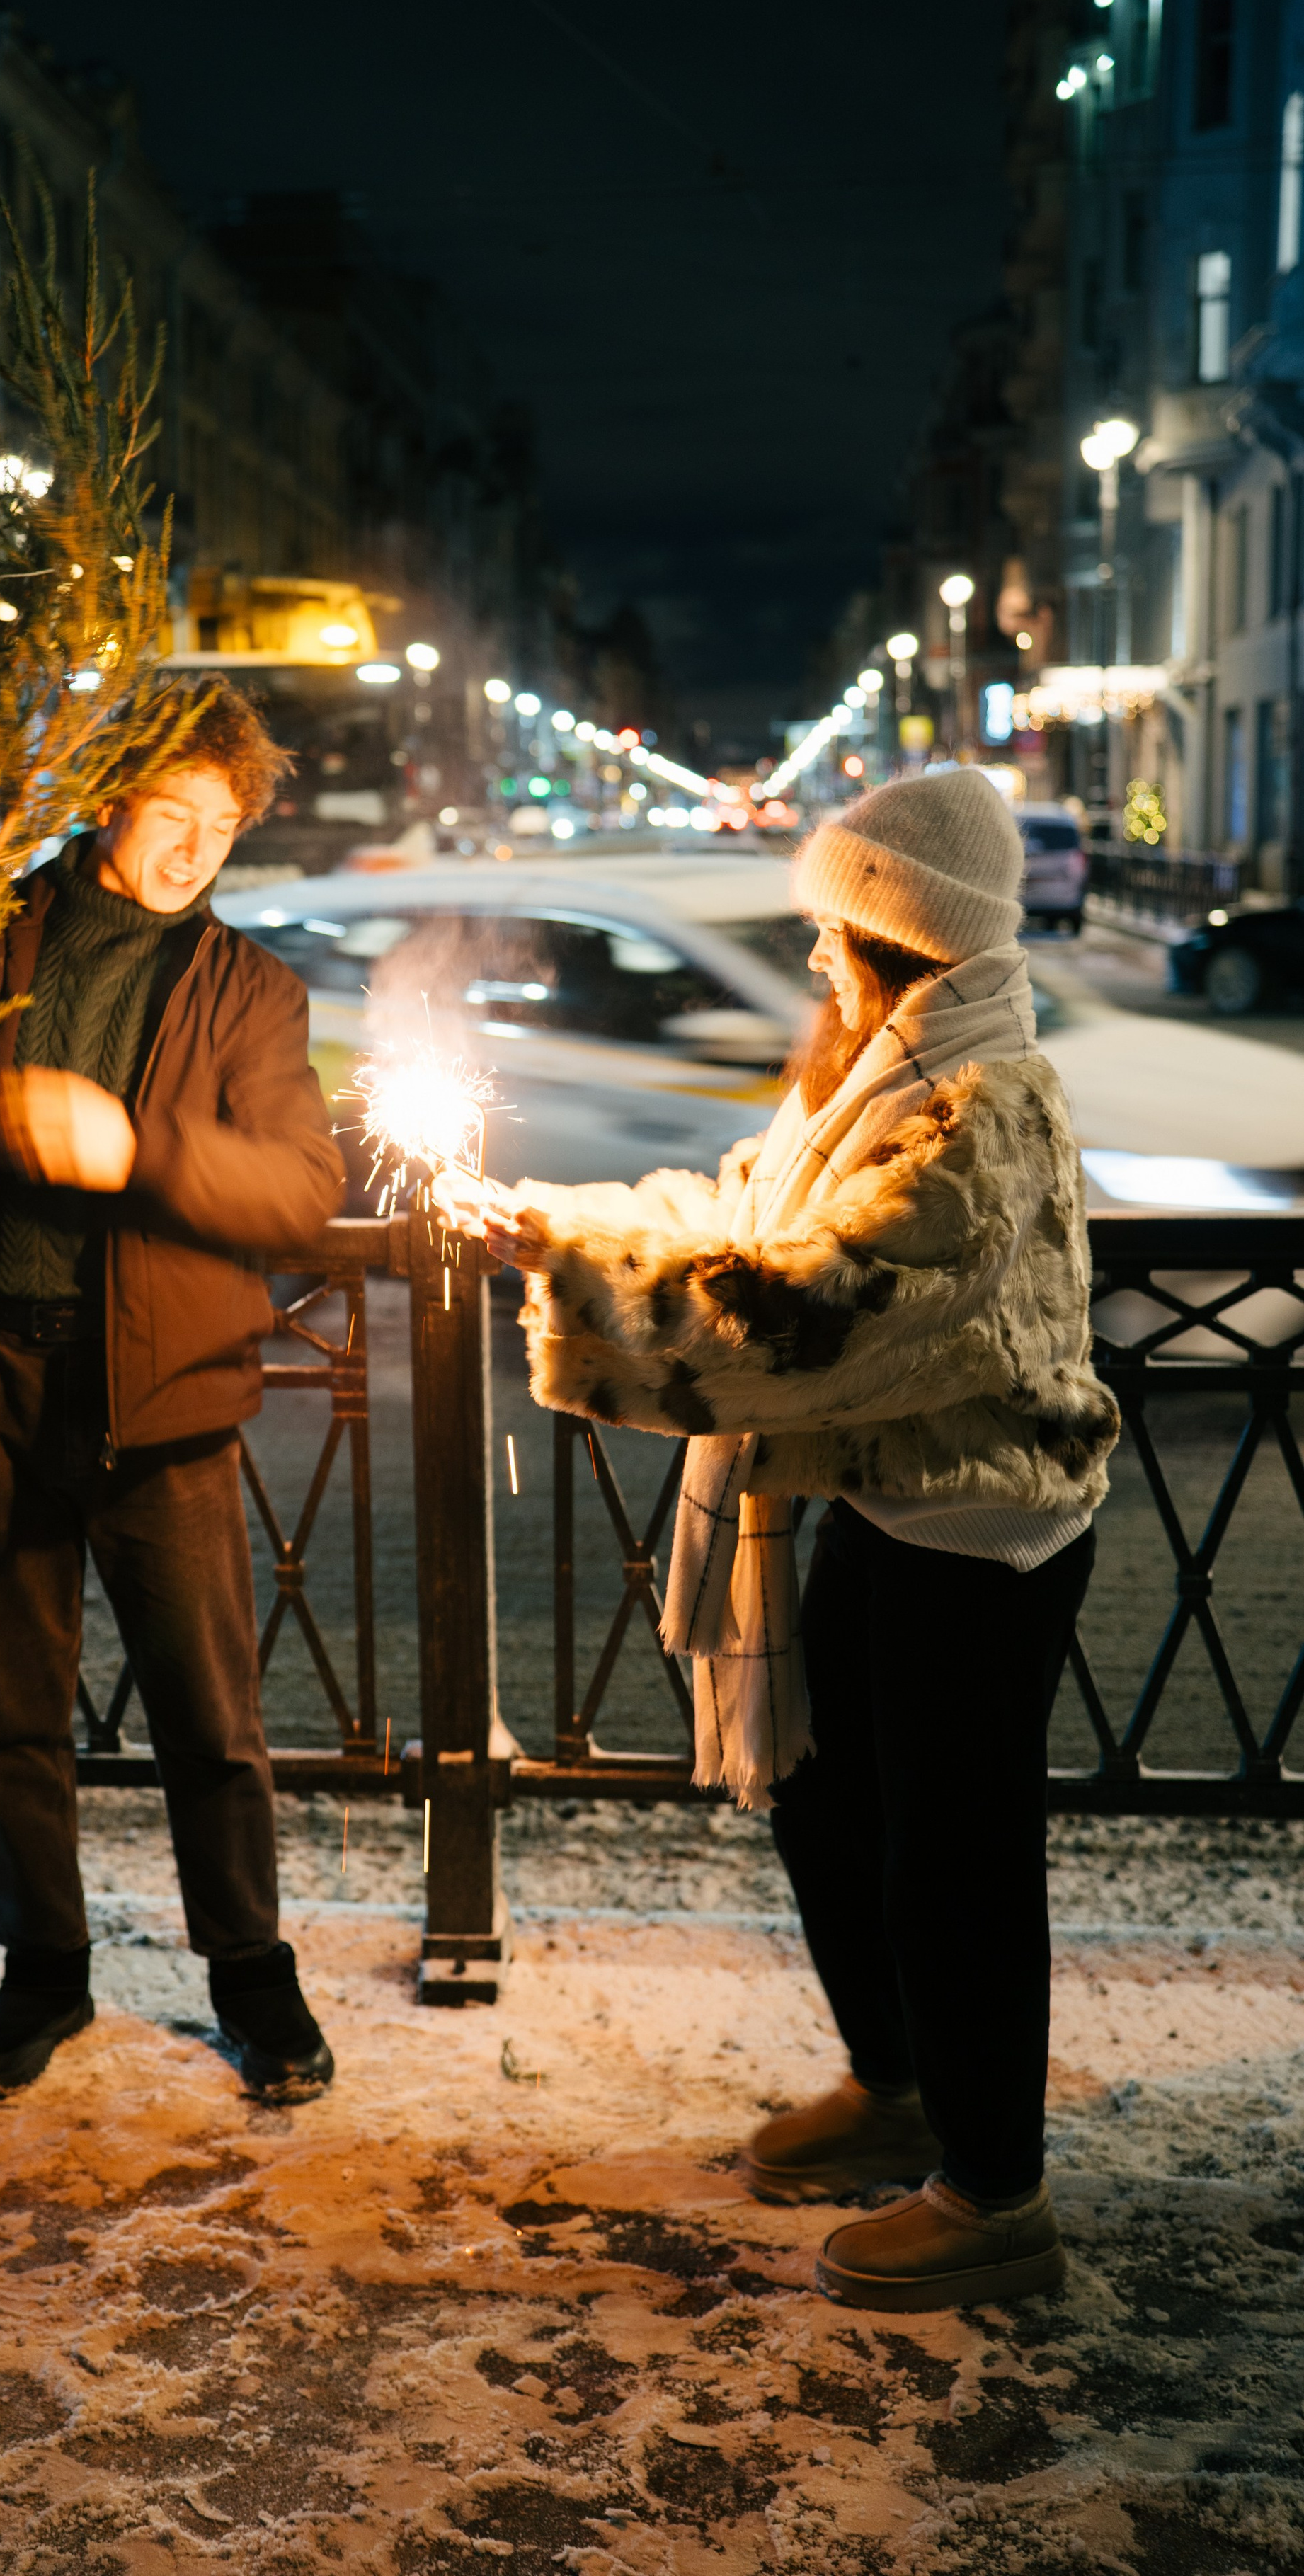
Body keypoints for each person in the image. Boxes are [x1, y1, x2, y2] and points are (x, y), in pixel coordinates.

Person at [466, 769, 1118, 2313]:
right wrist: (565, 1222)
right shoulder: (865, 1077)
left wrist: (586, 1286)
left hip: (982, 1523)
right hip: (880, 1498)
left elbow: (818, 1317)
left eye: (834, 928)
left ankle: (992, 2191)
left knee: (949, 1859)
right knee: (829, 1802)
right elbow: (747, 1215)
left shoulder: (979, 1104)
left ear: (906, 938)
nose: (813, 955)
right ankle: (896, 2082)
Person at [0, 677, 345, 2104]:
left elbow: (297, 1193)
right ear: (111, 798)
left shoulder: (248, 990)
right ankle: (41, 1971)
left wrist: (133, 1146)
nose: (188, 849)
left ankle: (251, 1977)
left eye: (216, 825)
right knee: (8, 1710)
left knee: (206, 1717)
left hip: (158, 1395)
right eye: (170, 811)